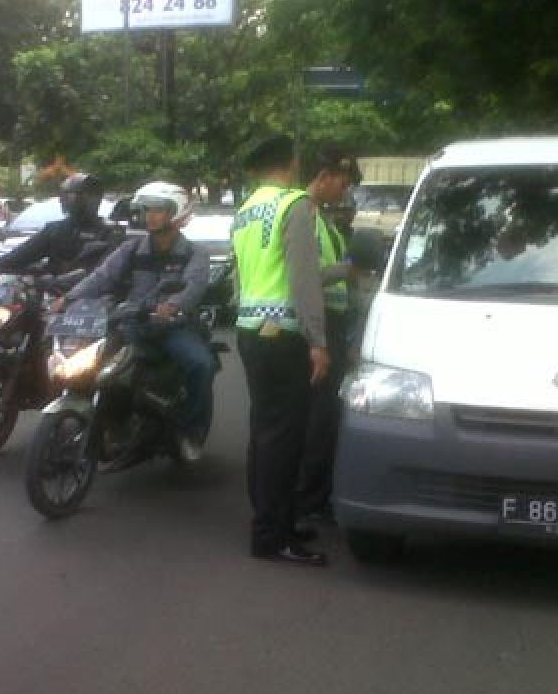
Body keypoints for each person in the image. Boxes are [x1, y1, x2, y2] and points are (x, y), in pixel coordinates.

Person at [53, 181, 216, 461]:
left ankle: (191, 431)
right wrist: (68, 299)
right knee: (91, 361)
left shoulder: (195, 254)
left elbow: (194, 286)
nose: (150, 215)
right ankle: (113, 422)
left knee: (202, 365)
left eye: (158, 210)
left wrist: (173, 306)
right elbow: (102, 276)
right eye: (147, 209)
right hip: (131, 323)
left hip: (172, 328)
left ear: (175, 213)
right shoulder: (131, 249)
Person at [231, 134, 330, 567]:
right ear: (290, 164)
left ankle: (277, 522)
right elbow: (304, 279)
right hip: (285, 334)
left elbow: (237, 278)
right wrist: (318, 340)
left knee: (264, 431)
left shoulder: (245, 210)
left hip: (250, 330)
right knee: (284, 439)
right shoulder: (295, 205)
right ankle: (271, 537)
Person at [296, 151, 361, 524]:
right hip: (319, 324)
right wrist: (348, 270)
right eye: (343, 182)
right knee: (319, 417)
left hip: (332, 324)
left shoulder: (321, 218)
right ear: (324, 177)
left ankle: (313, 495)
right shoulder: (305, 214)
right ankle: (309, 500)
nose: (345, 191)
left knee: (324, 414)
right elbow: (309, 277)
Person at [0, 173, 121, 275]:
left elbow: (105, 274)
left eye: (73, 196)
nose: (65, 201)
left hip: (93, 300)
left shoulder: (110, 232)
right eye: (65, 196)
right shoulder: (55, 230)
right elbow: (19, 256)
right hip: (52, 297)